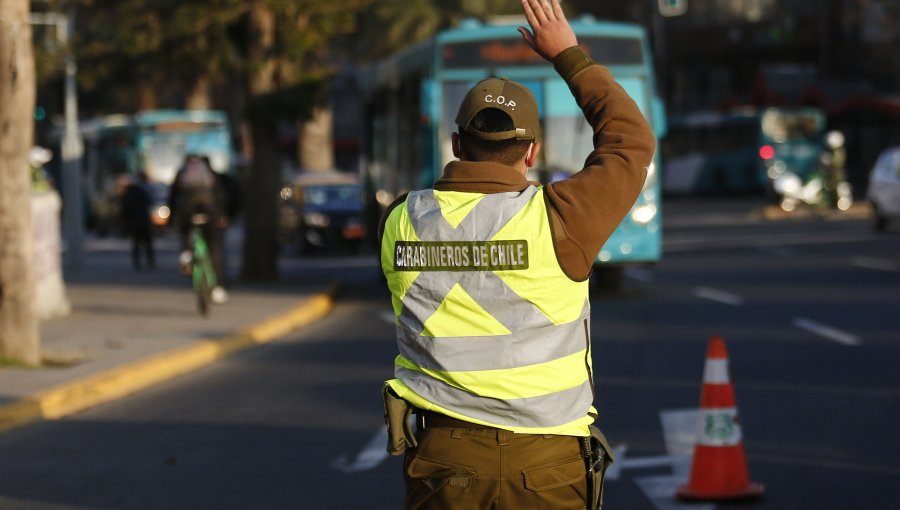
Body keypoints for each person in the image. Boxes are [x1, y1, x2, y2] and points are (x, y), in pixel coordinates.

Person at [377, 1, 655, 508]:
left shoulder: (400, 220)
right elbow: (630, 142)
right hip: (547, 463)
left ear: (457, 143)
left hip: (444, 461)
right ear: (531, 153)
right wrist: (567, 55)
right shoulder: (561, 216)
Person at [168, 154, 230, 304]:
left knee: (184, 232)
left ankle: (186, 253)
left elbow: (173, 196)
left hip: (187, 212)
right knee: (214, 248)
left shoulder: (183, 173)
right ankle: (217, 288)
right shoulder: (210, 174)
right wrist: (222, 215)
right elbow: (221, 196)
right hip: (209, 213)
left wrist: (171, 219)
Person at [120, 172, 155, 270]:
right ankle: (150, 261)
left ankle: (137, 263)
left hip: (134, 221)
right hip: (144, 220)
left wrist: (125, 221)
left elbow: (124, 209)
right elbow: (149, 202)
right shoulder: (142, 191)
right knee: (147, 243)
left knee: (136, 243)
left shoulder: (127, 193)